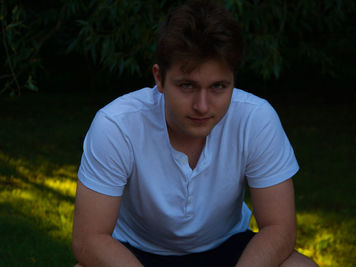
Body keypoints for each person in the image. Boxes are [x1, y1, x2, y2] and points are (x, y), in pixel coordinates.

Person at [72, 1, 317, 266]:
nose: (202, 105)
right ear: (159, 78)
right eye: (187, 85)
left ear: (233, 79)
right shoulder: (116, 126)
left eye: (218, 86)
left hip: (228, 248)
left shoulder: (256, 119)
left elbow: (279, 228)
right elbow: (90, 239)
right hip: (136, 253)